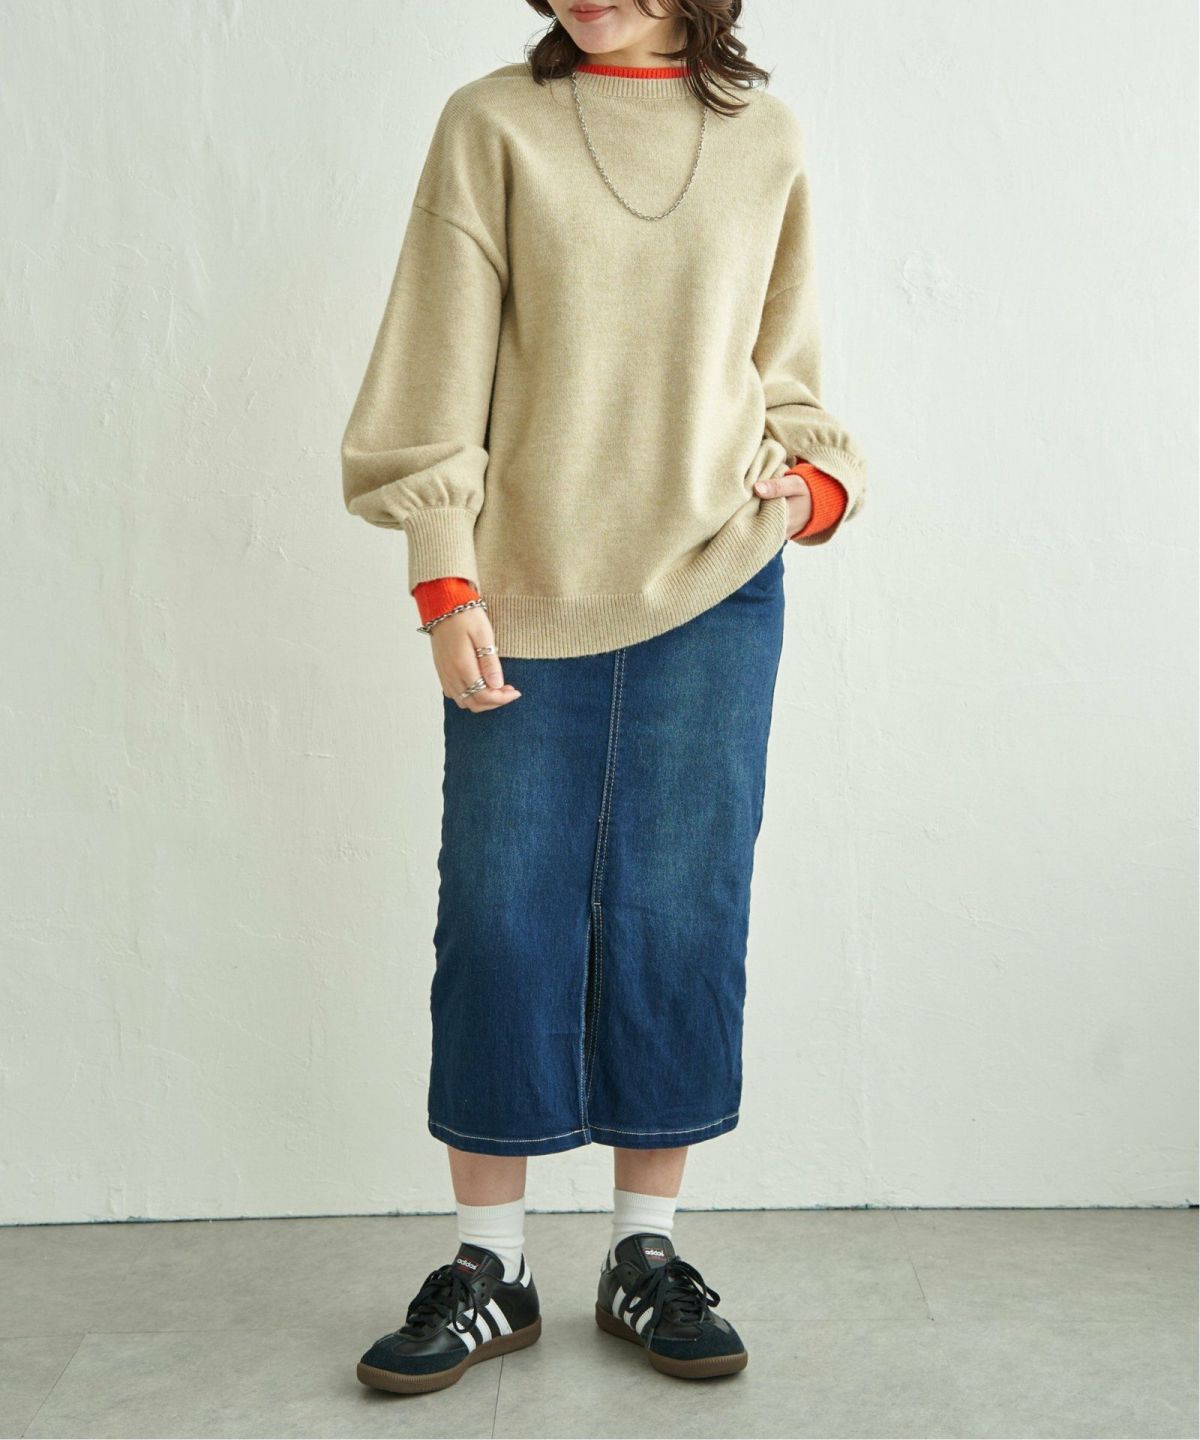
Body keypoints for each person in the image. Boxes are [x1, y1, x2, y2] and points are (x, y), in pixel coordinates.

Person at [340, 0, 866, 1394]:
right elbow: (432, 366)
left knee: (679, 909)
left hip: (717, 582)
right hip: (524, 588)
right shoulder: (493, 123)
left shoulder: (767, 140)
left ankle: (646, 1252)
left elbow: (788, 374)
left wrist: (817, 484)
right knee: (500, 914)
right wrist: (443, 576)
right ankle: (490, 1266)